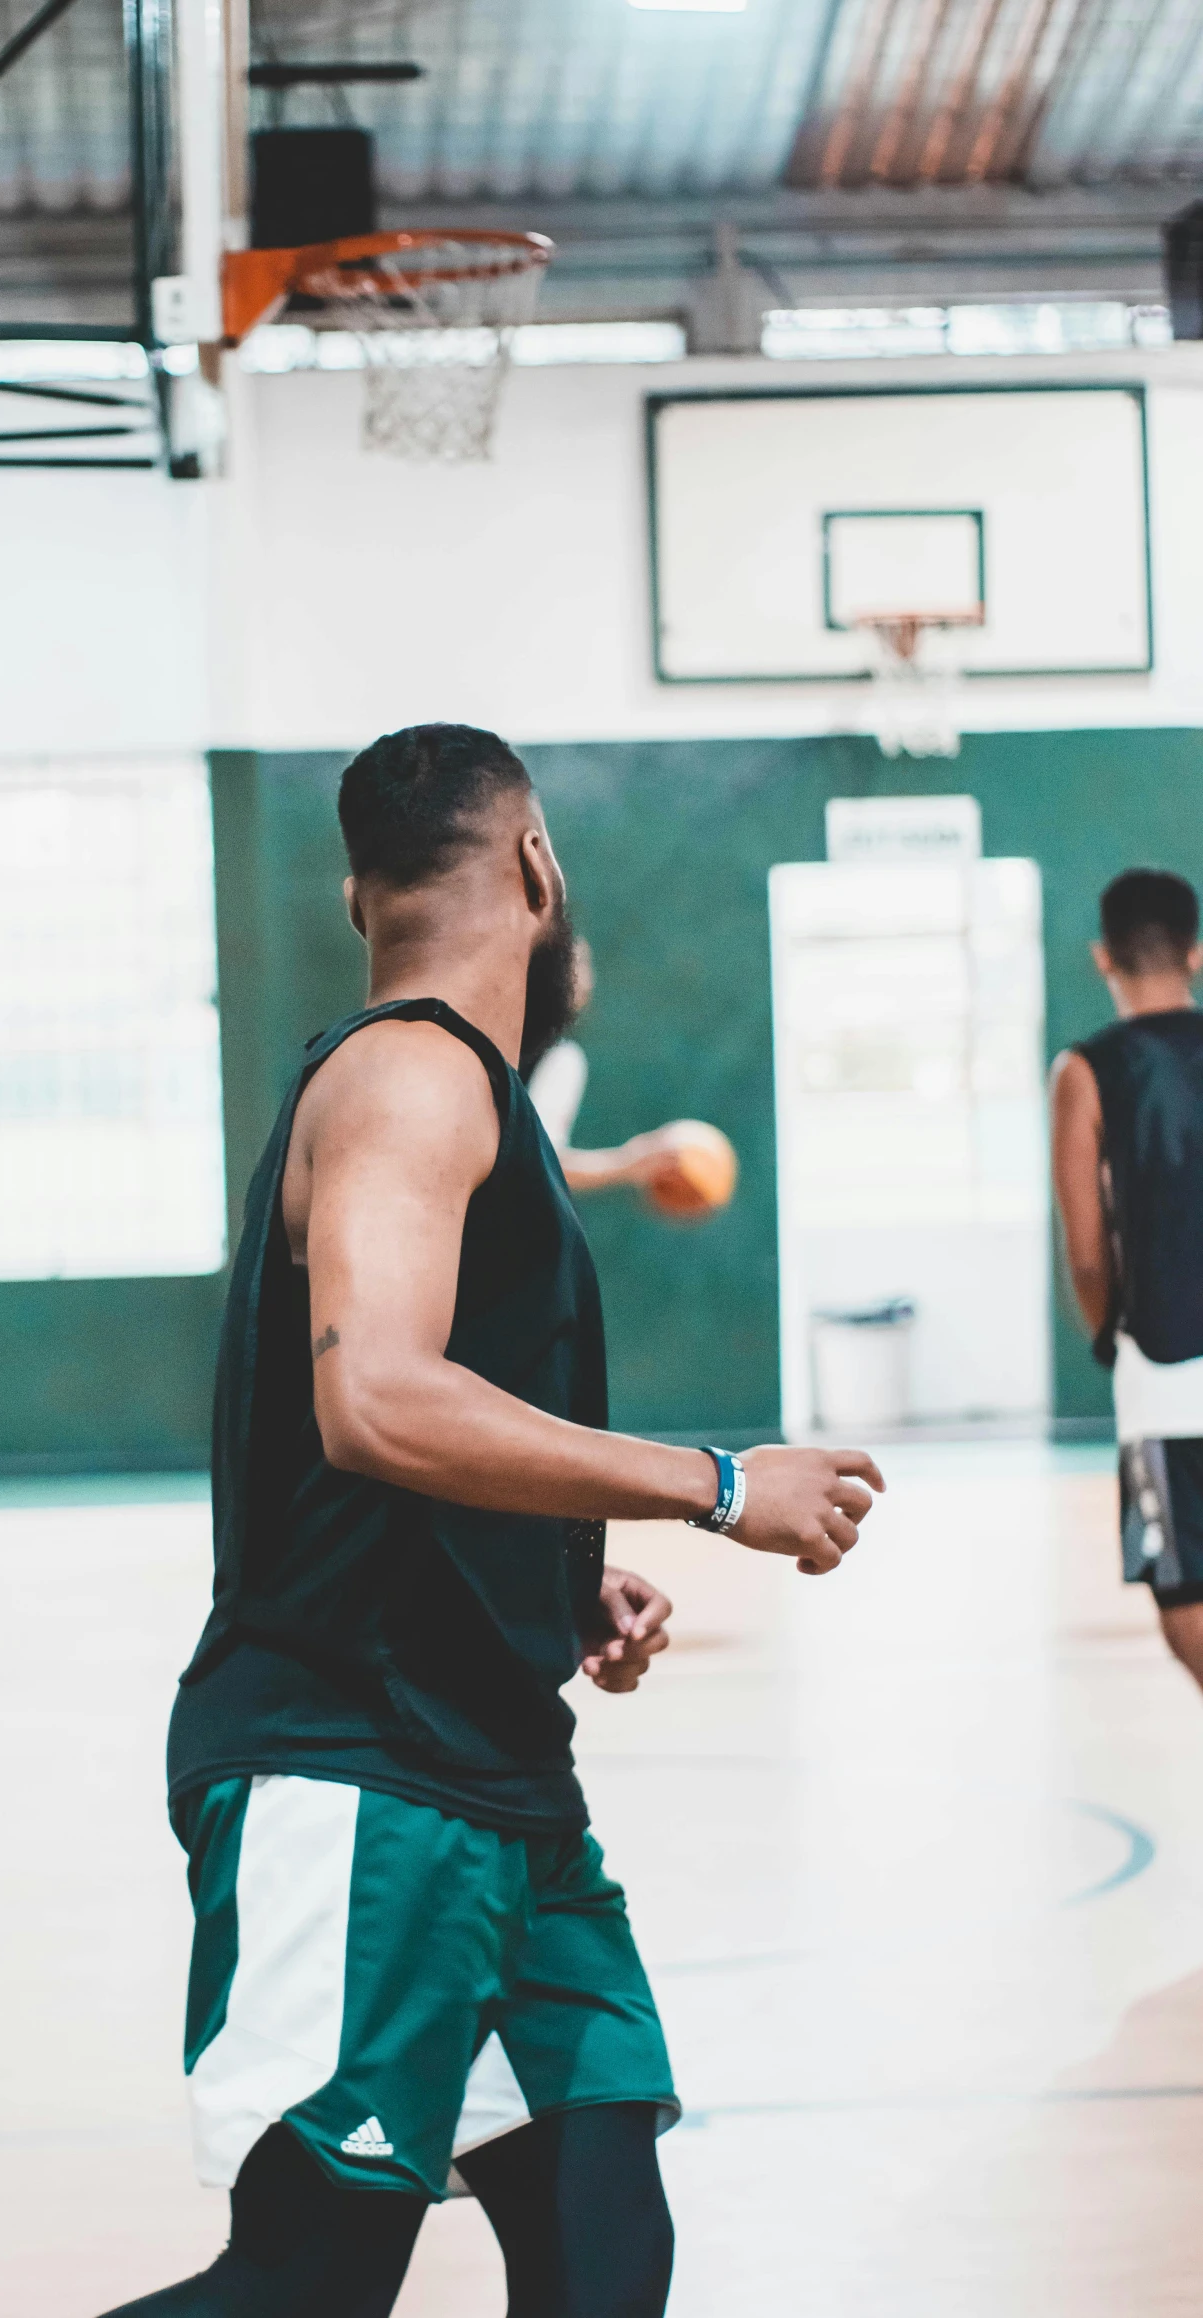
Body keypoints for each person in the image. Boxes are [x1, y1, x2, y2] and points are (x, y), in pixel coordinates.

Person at [103, 723, 883, 2318]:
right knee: (306, 2282)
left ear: (350, 895)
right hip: (355, 1759)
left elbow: (395, 1435)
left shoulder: (464, 1098)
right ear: (537, 865)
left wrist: (555, 1574)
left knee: (602, 2232)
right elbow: (375, 1399)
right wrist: (715, 1485)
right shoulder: (411, 1072)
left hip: (490, 1769)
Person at [1051, 866, 1203, 1698]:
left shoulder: (1084, 1070)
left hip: (1166, 1367)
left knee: (1184, 1591)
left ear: (1101, 956)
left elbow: (1084, 1248)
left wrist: (1110, 1334)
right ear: (1196, 952)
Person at [525, 937, 692, 1196]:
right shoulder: (560, 1058)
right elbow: (537, 1161)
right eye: (568, 963)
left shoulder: (558, 1056)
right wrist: (626, 1163)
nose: (582, 979)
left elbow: (535, 1159)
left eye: (582, 965)